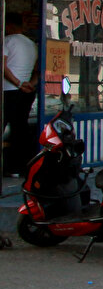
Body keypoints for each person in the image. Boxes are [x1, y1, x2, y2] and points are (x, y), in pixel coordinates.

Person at [3, 13, 37, 177]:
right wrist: (30, 84)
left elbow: (3, 67)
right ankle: (19, 167)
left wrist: (17, 83)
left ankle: (10, 166)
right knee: (20, 129)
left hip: (9, 90)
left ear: (8, 25)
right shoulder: (31, 44)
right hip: (26, 91)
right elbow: (39, 69)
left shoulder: (7, 41)